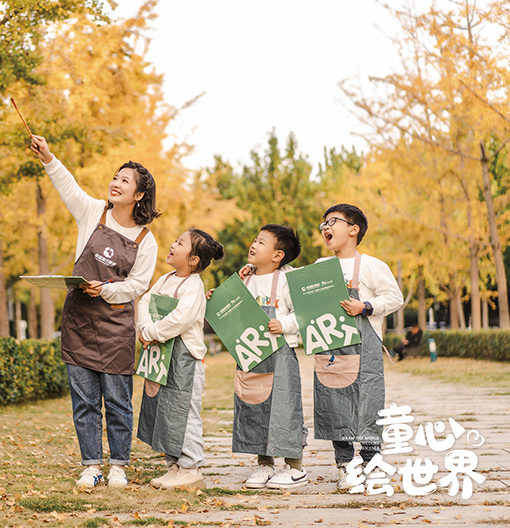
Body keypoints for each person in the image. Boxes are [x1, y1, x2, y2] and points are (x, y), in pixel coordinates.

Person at [30, 135, 160, 488]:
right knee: (84, 400)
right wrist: (48, 157)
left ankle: (118, 464)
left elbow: (137, 285)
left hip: (116, 326)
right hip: (78, 322)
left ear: (139, 195)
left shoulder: (146, 240)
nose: (115, 183)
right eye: (115, 177)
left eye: (124, 181)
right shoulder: (92, 212)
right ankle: (91, 464)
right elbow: (67, 186)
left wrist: (106, 290)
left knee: (118, 401)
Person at [315, 204, 403, 489]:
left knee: (369, 401)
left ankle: (370, 459)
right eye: (323, 224)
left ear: (354, 230)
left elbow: (394, 297)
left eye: (333, 221)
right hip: (331, 347)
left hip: (365, 345)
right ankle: (345, 464)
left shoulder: (373, 266)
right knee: (333, 402)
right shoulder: (319, 268)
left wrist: (366, 305)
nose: (325, 227)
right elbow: (290, 292)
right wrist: (252, 272)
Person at [218, 225, 307, 489]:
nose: (253, 245)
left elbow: (303, 314)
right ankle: (265, 464)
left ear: (277, 255)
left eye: (261, 242)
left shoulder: (288, 280)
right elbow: (231, 311)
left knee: (285, 409)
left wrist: (285, 324)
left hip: (280, 352)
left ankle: (295, 467)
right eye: (255, 240)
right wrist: (217, 300)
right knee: (254, 407)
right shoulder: (244, 279)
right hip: (251, 354)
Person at [137, 229, 224, 490]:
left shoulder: (194, 286)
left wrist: (151, 332)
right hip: (162, 356)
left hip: (184, 359)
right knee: (164, 412)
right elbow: (145, 302)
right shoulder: (164, 279)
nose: (173, 244)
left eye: (180, 243)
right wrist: (144, 328)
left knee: (184, 412)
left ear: (194, 259)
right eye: (175, 240)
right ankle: (174, 465)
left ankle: (191, 467)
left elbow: (180, 319)